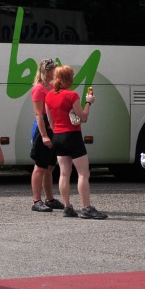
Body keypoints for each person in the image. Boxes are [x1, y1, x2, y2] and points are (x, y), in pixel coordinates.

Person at [43, 65, 106, 219]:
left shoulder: (49, 96)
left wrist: (57, 132)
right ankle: (86, 207)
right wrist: (89, 102)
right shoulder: (72, 95)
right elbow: (82, 117)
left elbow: (50, 121)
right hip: (73, 136)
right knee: (83, 173)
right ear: (68, 78)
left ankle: (67, 207)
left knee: (64, 173)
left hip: (57, 136)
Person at [29, 58, 64, 212]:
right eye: (54, 69)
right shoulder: (38, 89)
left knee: (50, 167)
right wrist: (44, 136)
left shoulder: (50, 86)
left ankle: (49, 199)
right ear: (47, 71)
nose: (56, 72)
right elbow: (38, 114)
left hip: (53, 127)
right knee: (40, 166)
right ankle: (36, 201)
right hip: (43, 128)